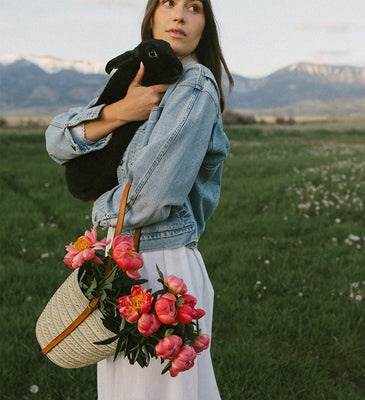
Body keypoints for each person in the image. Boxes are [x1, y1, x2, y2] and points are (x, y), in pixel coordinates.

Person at [45, 0, 234, 399]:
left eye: (194, 7)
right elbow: (57, 141)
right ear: (151, 17)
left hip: (162, 268)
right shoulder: (137, 79)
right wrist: (120, 110)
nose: (179, 15)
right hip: (126, 260)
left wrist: (97, 228)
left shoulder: (195, 84)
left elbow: (152, 197)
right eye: (168, 3)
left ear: (205, 26)